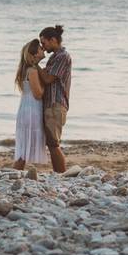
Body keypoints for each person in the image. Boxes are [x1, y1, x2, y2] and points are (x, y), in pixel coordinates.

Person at [37, 25, 71, 173]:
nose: (43, 48)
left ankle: (61, 175)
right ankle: (60, 174)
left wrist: (34, 64)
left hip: (56, 104)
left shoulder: (62, 56)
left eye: (43, 43)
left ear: (53, 40)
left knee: (53, 143)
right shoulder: (55, 57)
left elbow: (48, 78)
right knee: (52, 143)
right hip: (51, 104)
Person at [12, 39, 49, 170]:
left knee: (25, 146)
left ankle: (15, 172)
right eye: (40, 48)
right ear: (34, 54)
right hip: (32, 110)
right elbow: (38, 94)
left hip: (26, 108)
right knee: (25, 148)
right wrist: (46, 84)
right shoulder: (32, 71)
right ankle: (14, 172)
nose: (43, 49)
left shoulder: (27, 69)